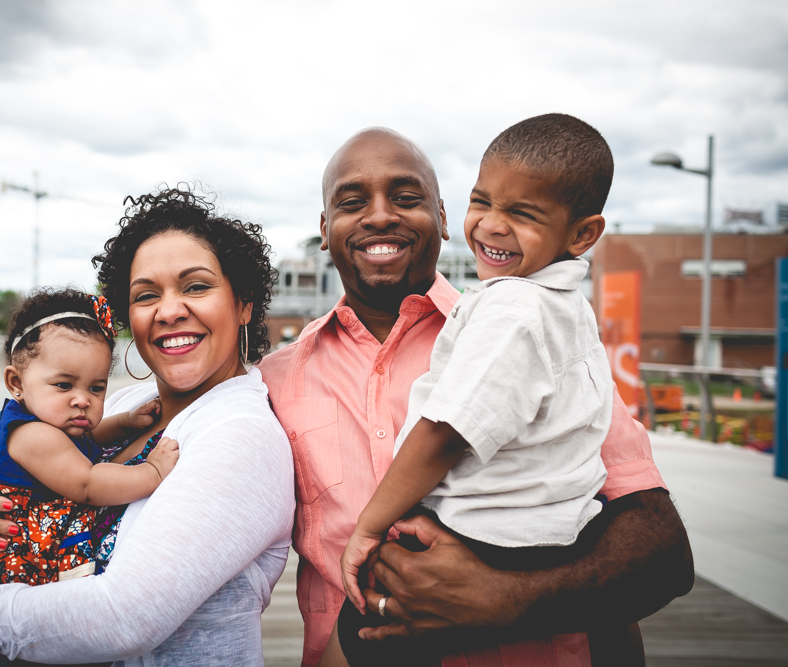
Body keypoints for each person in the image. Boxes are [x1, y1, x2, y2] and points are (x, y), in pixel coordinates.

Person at [256, 126, 694, 665]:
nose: (378, 216)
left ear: (441, 217)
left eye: (406, 197)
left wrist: (505, 600)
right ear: (325, 228)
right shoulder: (273, 382)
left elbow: (662, 555)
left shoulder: (530, 335)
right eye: (352, 202)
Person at [0, 187, 295, 666]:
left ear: (243, 304)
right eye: (147, 295)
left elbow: (122, 617)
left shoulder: (241, 434)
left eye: (195, 286)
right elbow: (21, 484)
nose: (169, 311)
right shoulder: (125, 405)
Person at [325, 115, 630, 667]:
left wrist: (369, 527)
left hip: (493, 542)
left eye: (523, 213)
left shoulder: (513, 309)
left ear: (583, 235)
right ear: (323, 228)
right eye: (482, 202)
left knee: (361, 629)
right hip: (551, 536)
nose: (491, 226)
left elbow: (444, 433)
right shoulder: (568, 311)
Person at [0, 288, 180, 615]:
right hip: (21, 563)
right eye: (64, 385)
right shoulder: (31, 435)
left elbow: (88, 440)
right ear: (16, 383)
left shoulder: (54, 421)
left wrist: (126, 422)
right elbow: (87, 483)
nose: (82, 399)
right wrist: (152, 473)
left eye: (96, 387)